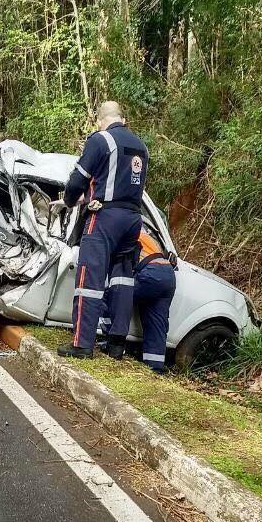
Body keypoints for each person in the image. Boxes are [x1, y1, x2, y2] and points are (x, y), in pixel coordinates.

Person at [57, 101, 149, 359]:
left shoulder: (100, 140)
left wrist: (69, 200)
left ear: (100, 120)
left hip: (105, 218)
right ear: (123, 117)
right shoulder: (141, 147)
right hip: (133, 219)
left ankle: (82, 344)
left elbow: (77, 181)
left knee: (90, 279)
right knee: (122, 279)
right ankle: (116, 344)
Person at [101, 231, 176, 372]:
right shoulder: (146, 234)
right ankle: (155, 368)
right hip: (168, 275)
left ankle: (112, 343)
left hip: (150, 272)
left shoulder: (127, 228)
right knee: (156, 322)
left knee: (111, 296)